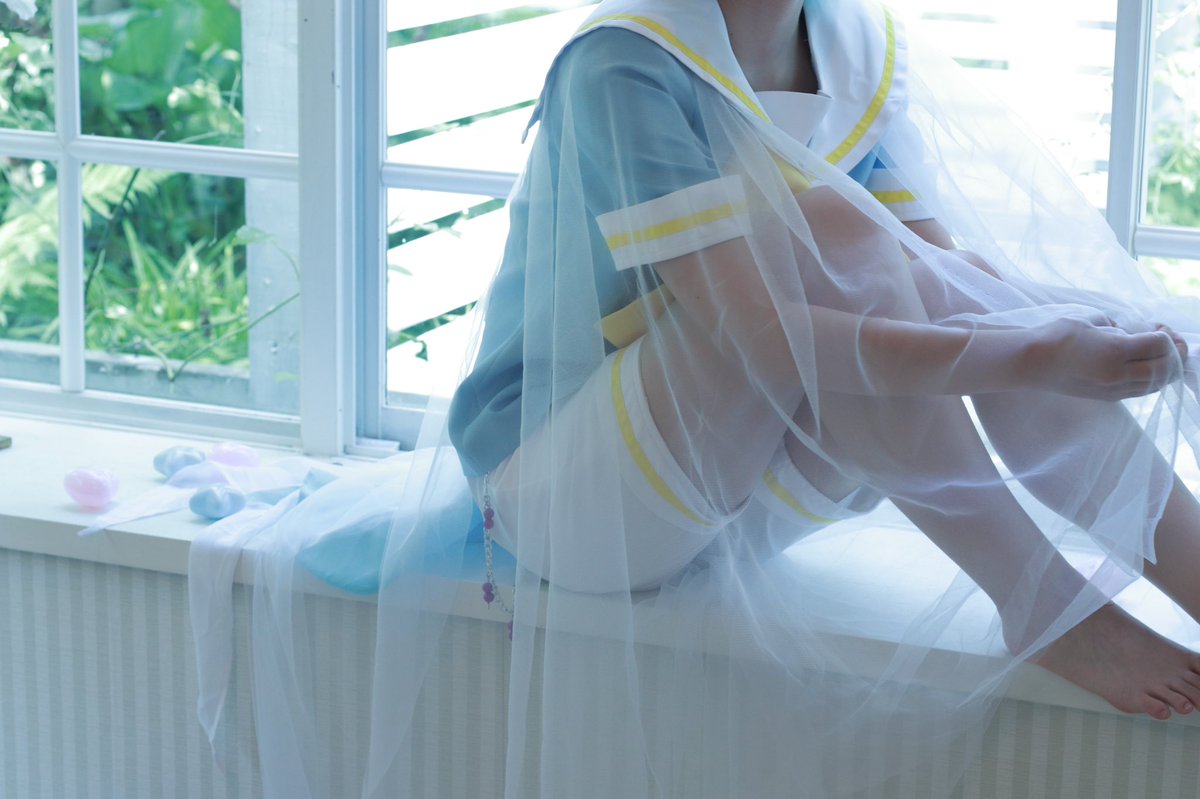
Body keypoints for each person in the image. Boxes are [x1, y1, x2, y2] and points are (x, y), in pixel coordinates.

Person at [203, 0, 1200, 796]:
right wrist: (1032, 354)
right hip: (568, 491)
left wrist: (1073, 337)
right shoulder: (624, 61)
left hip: (735, 483)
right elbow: (756, 334)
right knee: (844, 241)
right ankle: (1042, 600)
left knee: (965, 294)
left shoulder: (850, 41)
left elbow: (947, 278)